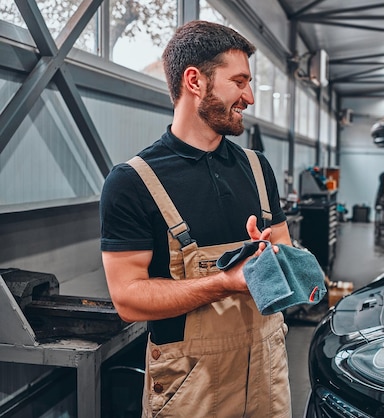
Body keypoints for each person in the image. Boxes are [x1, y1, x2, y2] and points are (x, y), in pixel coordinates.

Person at [99, 20, 293, 417]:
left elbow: (287, 257)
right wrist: (225, 282)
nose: (250, 97)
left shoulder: (258, 168)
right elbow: (128, 299)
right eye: (239, 82)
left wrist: (275, 259)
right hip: (191, 386)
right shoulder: (134, 181)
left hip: (267, 371)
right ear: (195, 81)